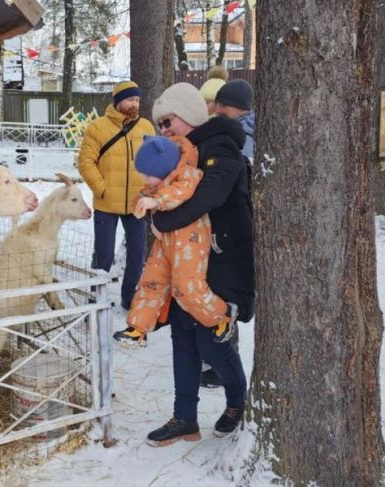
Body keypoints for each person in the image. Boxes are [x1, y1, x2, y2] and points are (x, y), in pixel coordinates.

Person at [145, 82, 254, 445]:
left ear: (188, 116)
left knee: (211, 342)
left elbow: (211, 194)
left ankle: (238, 399)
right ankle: (184, 418)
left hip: (220, 261)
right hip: (188, 260)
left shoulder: (219, 144)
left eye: (168, 121)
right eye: (160, 125)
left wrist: (161, 221)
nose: (164, 131)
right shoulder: (186, 151)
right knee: (183, 341)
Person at [113, 135, 238, 348]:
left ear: (162, 169)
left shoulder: (188, 174)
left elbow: (180, 192)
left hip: (190, 241)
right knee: (151, 281)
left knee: (186, 286)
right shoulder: (155, 184)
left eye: (148, 175)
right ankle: (138, 327)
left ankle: (221, 315)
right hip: (166, 242)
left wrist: (157, 200)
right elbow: (140, 200)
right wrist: (141, 204)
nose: (145, 180)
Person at [78, 81, 156, 310]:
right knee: (103, 254)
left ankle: (129, 296)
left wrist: (148, 190)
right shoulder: (97, 128)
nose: (135, 104)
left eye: (138, 100)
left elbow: (153, 161)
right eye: (131, 99)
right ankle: (97, 295)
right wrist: (102, 189)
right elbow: (85, 162)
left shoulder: (146, 127)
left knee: (137, 254)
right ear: (118, 101)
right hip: (106, 203)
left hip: (137, 202)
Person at [200, 78, 256, 389]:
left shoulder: (234, 139)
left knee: (226, 295)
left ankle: (222, 367)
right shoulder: (258, 131)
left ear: (223, 106)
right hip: (246, 229)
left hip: (230, 231)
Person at [215, 79, 255, 161]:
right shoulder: (231, 130)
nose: (217, 110)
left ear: (240, 106)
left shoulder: (244, 139)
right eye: (217, 104)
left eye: (224, 105)